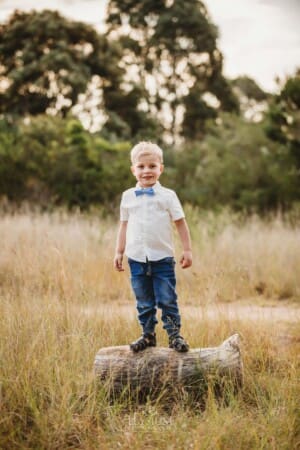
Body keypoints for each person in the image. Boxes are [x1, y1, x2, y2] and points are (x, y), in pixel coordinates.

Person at [114, 141, 192, 352]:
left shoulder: (168, 196)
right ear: (133, 170)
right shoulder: (128, 196)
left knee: (167, 299)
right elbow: (124, 225)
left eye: (152, 166)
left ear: (161, 168)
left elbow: (180, 223)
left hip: (162, 259)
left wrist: (187, 250)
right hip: (137, 259)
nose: (146, 171)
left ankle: (175, 336)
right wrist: (119, 251)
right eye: (141, 166)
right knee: (144, 301)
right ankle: (148, 335)